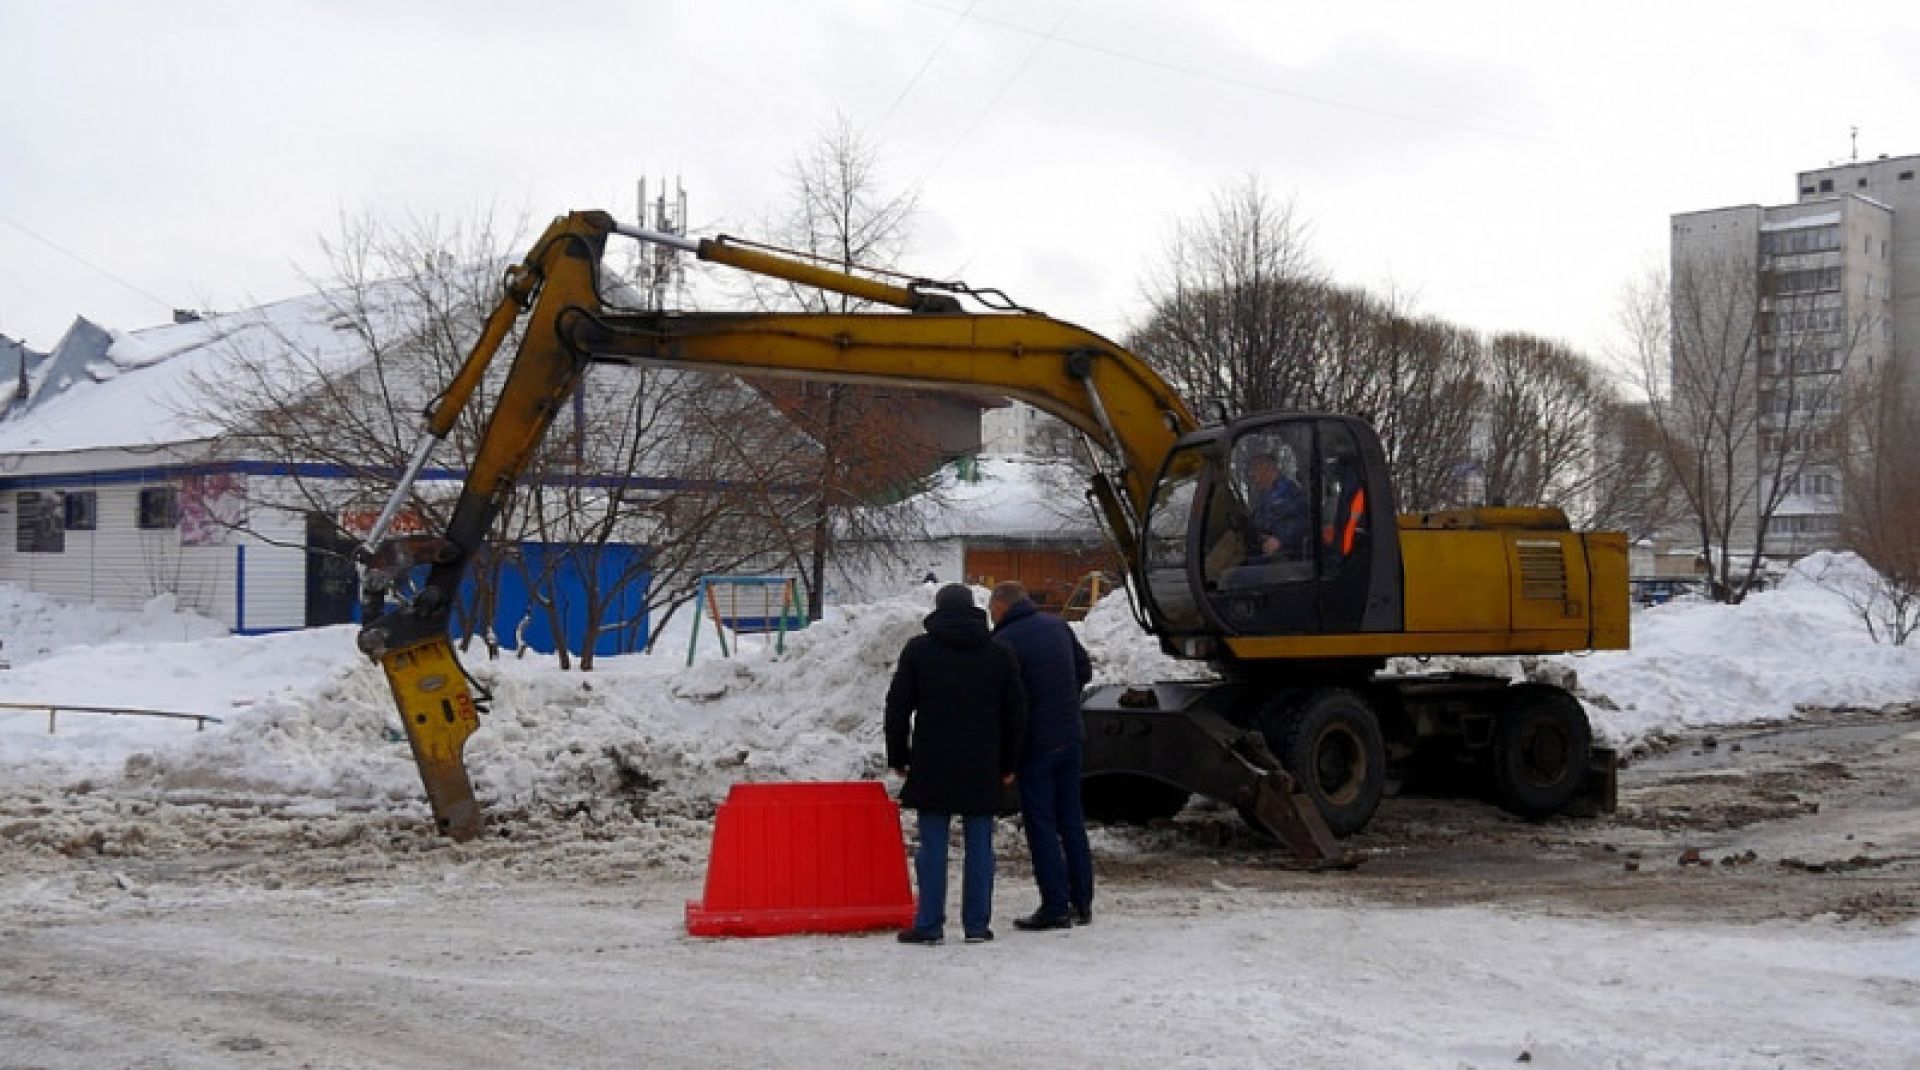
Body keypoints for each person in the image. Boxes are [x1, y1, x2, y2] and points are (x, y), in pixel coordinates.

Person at [885, 583, 1027, 946]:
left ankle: (929, 925)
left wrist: (899, 756)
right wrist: (1010, 761)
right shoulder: (999, 652)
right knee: (980, 845)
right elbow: (1015, 713)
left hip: (934, 760)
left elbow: (898, 707)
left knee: (932, 846)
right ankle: (976, 926)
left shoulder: (920, 651)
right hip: (983, 761)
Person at [988, 581, 1096, 931]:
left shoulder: (1004, 642)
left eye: (992, 610)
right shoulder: (1057, 626)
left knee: (1042, 825)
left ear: (1001, 607)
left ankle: (1055, 906)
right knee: (1071, 821)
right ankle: (1082, 903)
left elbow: (1006, 701)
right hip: (1071, 736)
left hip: (1036, 745)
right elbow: (1084, 670)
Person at [1248, 451, 1309, 559]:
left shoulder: (1288, 490)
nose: (1251, 473)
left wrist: (1280, 539)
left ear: (1267, 467)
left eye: (1254, 468)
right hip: (1265, 548)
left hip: (1287, 554)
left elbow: (1304, 520)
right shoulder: (1263, 495)